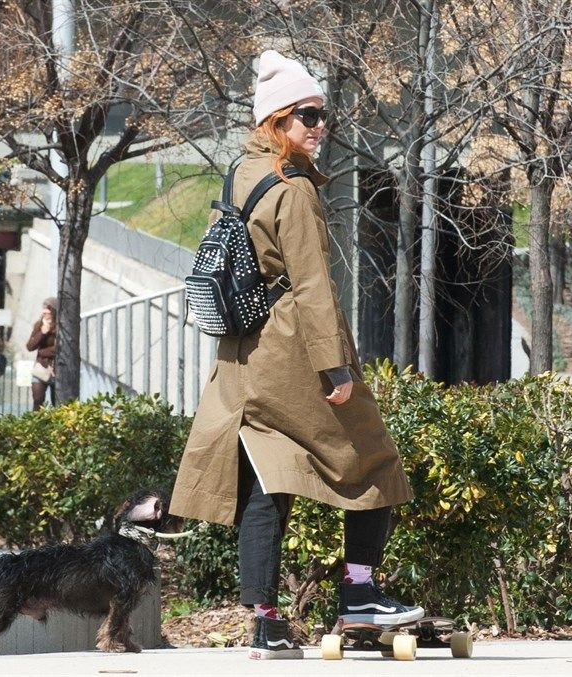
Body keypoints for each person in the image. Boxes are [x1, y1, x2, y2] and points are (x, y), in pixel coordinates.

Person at [170, 50, 420, 660]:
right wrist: (334, 367)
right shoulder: (293, 190)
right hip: (289, 353)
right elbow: (311, 284)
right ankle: (359, 592)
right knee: (374, 460)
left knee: (266, 486)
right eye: (305, 115)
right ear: (276, 122)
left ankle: (266, 624)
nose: (319, 125)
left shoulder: (242, 174)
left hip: (241, 358)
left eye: (321, 113)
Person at [26, 297, 57, 410]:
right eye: (43, 308)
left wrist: (42, 351)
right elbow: (30, 346)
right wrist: (42, 333)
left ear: (53, 310)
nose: (44, 311)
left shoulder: (61, 327)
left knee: (57, 404)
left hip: (57, 370)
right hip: (41, 368)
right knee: (37, 402)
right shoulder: (39, 325)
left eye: (47, 309)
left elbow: (59, 349)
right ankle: (36, 426)